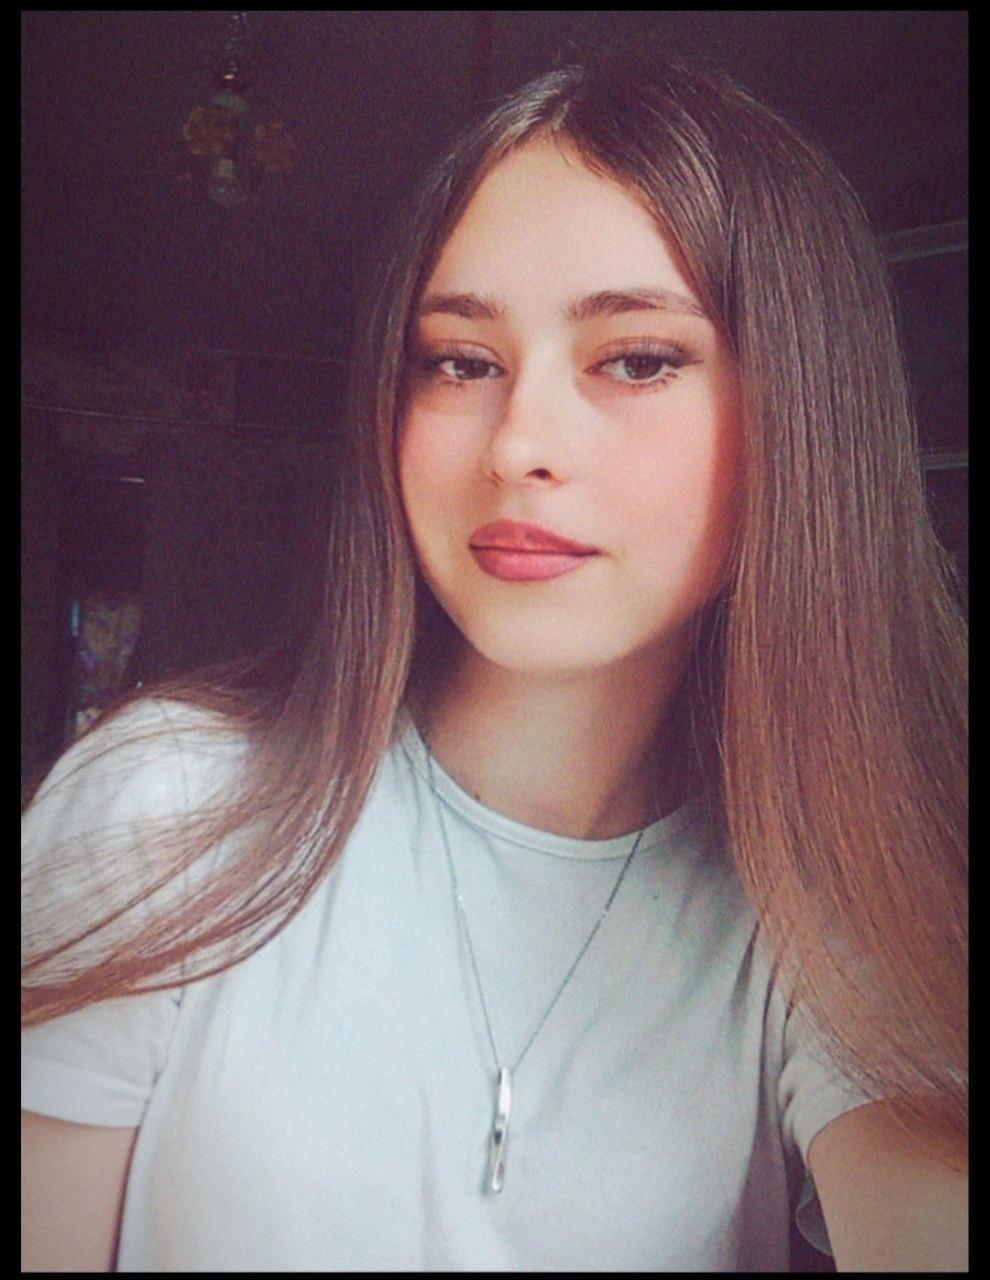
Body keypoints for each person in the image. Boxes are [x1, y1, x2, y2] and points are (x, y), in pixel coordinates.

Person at [22, 37, 967, 1272]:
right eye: (462, 362)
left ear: (803, 414)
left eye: (637, 358)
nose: (519, 442)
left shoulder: (828, 899)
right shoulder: (168, 804)